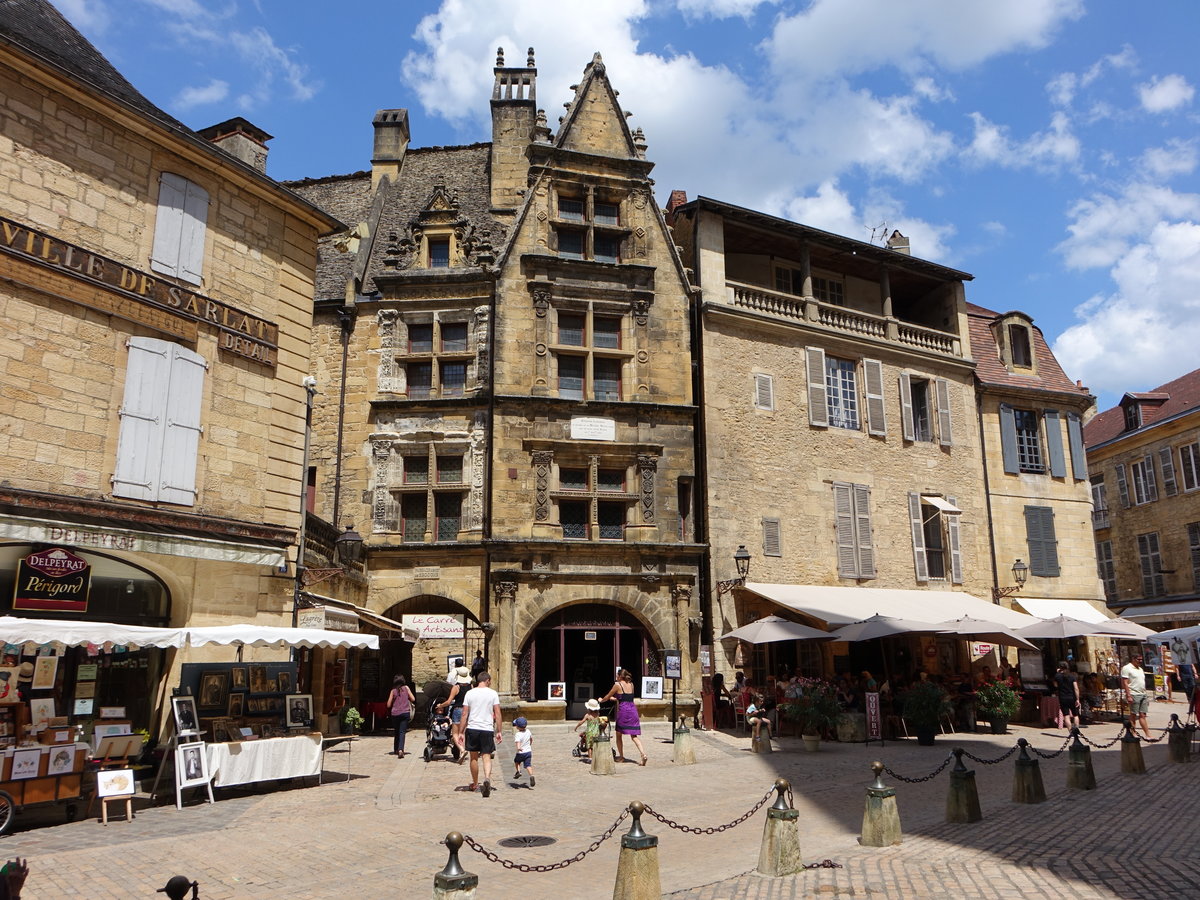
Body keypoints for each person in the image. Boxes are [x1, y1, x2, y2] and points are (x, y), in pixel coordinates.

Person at [456, 670, 502, 796]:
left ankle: (475, 783)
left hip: (473, 728)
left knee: (474, 757)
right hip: (487, 729)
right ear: (487, 680)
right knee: (486, 756)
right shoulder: (493, 693)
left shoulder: (469, 693)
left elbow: (465, 713)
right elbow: (497, 713)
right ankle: (487, 778)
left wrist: (461, 731)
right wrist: (499, 731)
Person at [600, 668, 647, 765]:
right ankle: (643, 754)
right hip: (633, 711)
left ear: (620, 676)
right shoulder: (631, 684)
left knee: (618, 734)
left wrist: (601, 700)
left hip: (623, 712)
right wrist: (615, 699)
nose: (616, 677)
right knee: (634, 735)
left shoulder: (617, 685)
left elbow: (608, 696)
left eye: (617, 675)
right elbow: (625, 697)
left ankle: (621, 757)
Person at [1121, 653, 1152, 739]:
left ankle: (1148, 734)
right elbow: (1125, 683)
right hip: (1134, 694)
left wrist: (1146, 694)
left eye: (1141, 660)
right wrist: (1128, 695)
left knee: (1143, 715)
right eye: (1138, 659)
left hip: (1142, 694)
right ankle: (1132, 732)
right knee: (1133, 714)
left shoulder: (1140, 669)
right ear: (1133, 659)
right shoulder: (1126, 668)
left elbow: (1142, 682)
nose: (1140, 661)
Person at [386, 674, 416, 758]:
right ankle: (400, 749)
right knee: (402, 732)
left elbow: (388, 705)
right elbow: (413, 699)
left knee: (396, 731)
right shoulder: (406, 688)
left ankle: (396, 749)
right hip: (405, 713)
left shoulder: (393, 691)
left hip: (395, 714)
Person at [1170, 637, 1196, 715]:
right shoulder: (1179, 659)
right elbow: (1177, 668)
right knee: (1186, 688)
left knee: (1192, 687)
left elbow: (1192, 666)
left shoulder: (1188, 658)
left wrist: (1195, 673)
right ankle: (1190, 703)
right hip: (1183, 675)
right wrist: (1178, 676)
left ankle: (1193, 702)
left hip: (1190, 674)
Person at [1054, 662, 1081, 730]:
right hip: (1072, 697)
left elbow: (1055, 685)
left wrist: (1058, 673)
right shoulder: (1072, 676)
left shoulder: (1057, 676)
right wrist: (1077, 699)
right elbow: (1076, 688)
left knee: (1066, 715)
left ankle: (1070, 732)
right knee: (1075, 715)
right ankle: (1076, 732)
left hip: (1063, 698)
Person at [511, 716, 535, 786]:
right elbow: (531, 739)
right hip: (528, 752)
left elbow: (518, 742)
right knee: (528, 765)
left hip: (521, 753)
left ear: (517, 727)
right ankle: (531, 775)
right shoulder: (528, 731)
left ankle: (518, 771)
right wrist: (530, 744)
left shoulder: (518, 734)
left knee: (517, 761)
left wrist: (518, 748)